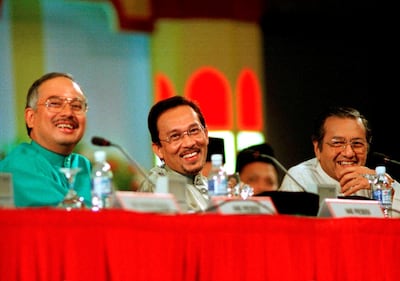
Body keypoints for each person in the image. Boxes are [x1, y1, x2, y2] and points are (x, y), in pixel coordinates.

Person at [279, 106, 400, 216]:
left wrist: (385, 191)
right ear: (317, 148)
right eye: (337, 143)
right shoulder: (299, 178)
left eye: (357, 144)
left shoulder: (376, 179)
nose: (349, 153)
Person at [0, 72, 92, 207]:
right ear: (31, 118)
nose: (68, 113)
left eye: (77, 106)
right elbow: (65, 218)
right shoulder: (18, 165)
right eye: (55, 104)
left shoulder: (81, 165)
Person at [139, 96, 210, 212]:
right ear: (158, 149)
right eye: (175, 136)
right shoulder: (159, 186)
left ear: (206, 134)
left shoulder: (208, 184)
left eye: (193, 130)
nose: (189, 143)